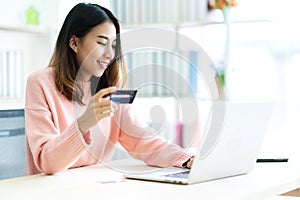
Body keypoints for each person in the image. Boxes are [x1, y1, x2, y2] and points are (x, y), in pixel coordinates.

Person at [24, 2, 194, 175]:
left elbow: (142, 141)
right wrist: (84, 123)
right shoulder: (40, 83)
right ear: (74, 43)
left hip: (92, 186)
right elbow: (47, 162)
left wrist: (186, 159)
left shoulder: (109, 89)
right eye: (101, 43)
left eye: (113, 45)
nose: (110, 54)